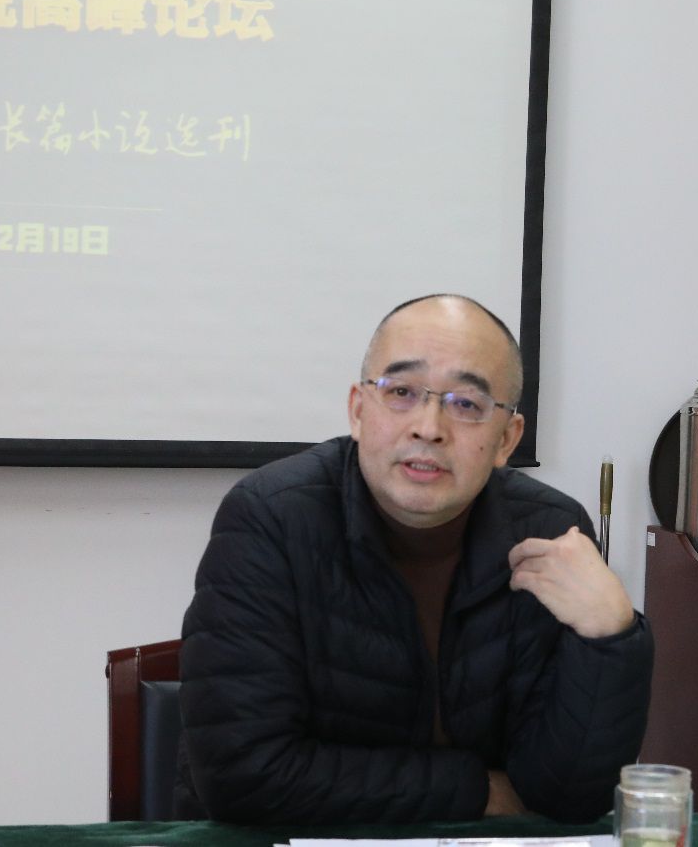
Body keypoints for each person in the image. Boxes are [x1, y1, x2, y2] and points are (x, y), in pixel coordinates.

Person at [174, 294, 653, 824]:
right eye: (401, 392)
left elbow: (569, 799)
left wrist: (612, 637)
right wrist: (477, 791)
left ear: (506, 440)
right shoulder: (270, 519)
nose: (429, 427)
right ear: (359, 410)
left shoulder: (550, 533)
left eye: (466, 404)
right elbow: (242, 775)